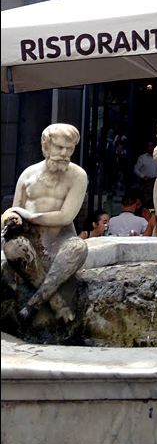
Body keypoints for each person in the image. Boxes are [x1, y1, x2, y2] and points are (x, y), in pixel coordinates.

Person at [0, 123, 88, 325]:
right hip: (30, 241)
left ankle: (33, 304)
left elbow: (66, 217)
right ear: (45, 146)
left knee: (79, 248)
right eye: (59, 147)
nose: (65, 154)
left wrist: (29, 215)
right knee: (13, 247)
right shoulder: (28, 174)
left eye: (70, 149)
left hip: (60, 241)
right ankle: (56, 304)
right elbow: (14, 211)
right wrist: (13, 218)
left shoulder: (78, 176)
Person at [133, 141, 157, 207]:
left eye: (152, 146)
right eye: (149, 146)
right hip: (147, 182)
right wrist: (143, 176)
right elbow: (136, 169)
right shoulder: (142, 158)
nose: (151, 148)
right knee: (146, 200)